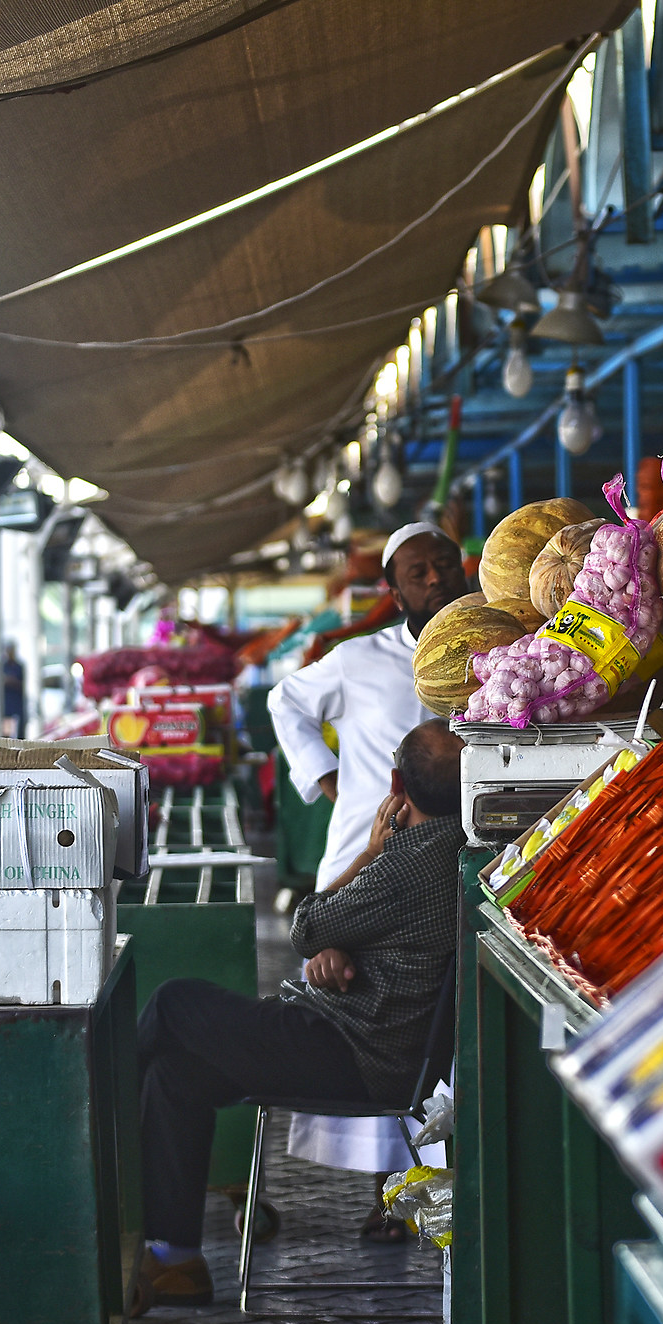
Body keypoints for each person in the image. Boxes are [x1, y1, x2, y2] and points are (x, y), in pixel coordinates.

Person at [129, 720, 467, 1311]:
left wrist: (364, 854)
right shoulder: (449, 850)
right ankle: (173, 1260)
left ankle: (92, 1151)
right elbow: (326, 932)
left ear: (396, 785)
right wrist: (335, 942)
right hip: (357, 1036)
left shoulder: (409, 862)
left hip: (353, 1050)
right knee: (176, 1076)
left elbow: (308, 923)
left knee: (174, 1003)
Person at [267, 523, 471, 1236]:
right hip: (363, 868)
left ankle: (427, 1183)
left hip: (448, 875)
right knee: (369, 1016)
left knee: (431, 1022)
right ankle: (384, 1195)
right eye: (420, 570)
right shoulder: (358, 659)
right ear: (394, 590)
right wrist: (320, 778)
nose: (438, 577)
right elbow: (284, 702)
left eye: (445, 563)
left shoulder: (495, 650)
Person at [0, 639, 28, 739]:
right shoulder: (2, 666)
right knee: (6, 730)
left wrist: (12, 681)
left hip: (17, 702)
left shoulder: (19, 666)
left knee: (19, 730)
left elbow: (22, 684)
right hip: (7, 703)